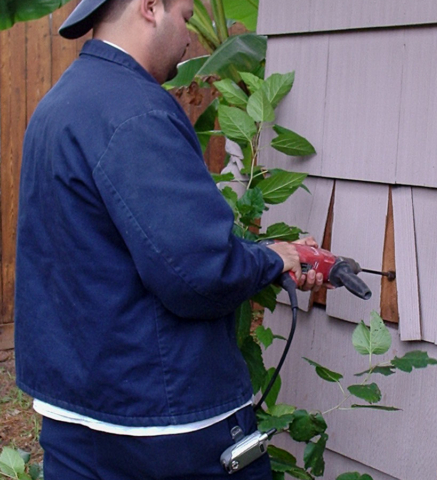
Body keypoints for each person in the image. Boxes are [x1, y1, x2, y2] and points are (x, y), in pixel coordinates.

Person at [14, 0, 322, 478]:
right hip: (163, 428)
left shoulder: (59, 104)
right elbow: (198, 274)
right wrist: (273, 260)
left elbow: (104, 252)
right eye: (182, 15)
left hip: (73, 418)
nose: (190, 38)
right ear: (150, 7)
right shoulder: (135, 111)